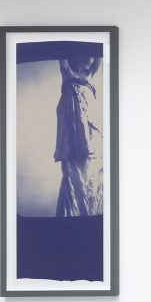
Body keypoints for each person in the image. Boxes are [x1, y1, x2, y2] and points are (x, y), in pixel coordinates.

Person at [54, 56, 103, 217]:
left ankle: (92, 213)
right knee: (72, 174)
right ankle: (72, 214)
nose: (91, 58)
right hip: (72, 129)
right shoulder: (68, 73)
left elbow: (100, 56)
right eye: (88, 55)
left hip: (90, 128)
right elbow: (62, 58)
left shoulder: (90, 75)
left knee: (92, 171)